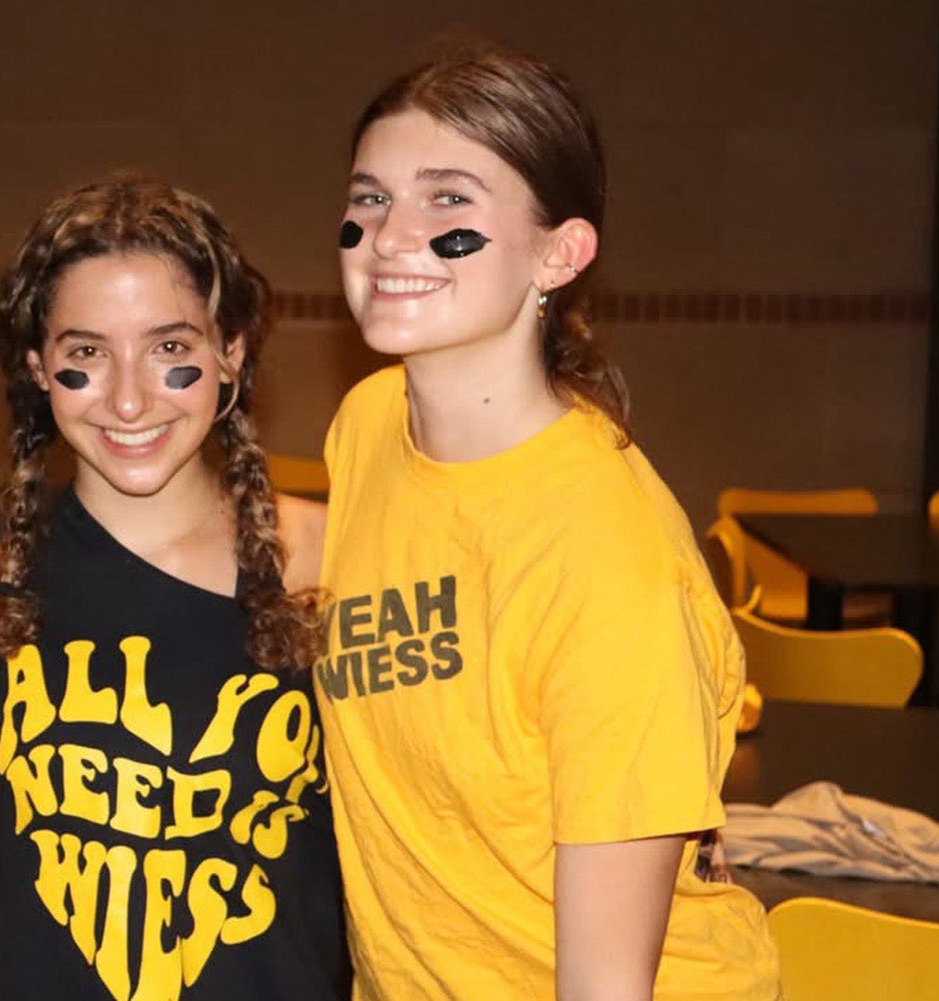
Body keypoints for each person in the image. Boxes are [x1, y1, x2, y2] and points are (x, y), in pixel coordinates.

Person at [317, 43, 781, 1000]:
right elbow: (374, 556)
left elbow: (607, 989)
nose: (390, 236)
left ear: (559, 253)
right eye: (370, 200)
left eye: (448, 200)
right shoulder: (368, 425)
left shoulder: (606, 559)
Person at [0, 177, 349, 1001]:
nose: (131, 397)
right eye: (87, 355)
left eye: (171, 349)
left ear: (233, 353)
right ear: (39, 368)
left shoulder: (330, 562)